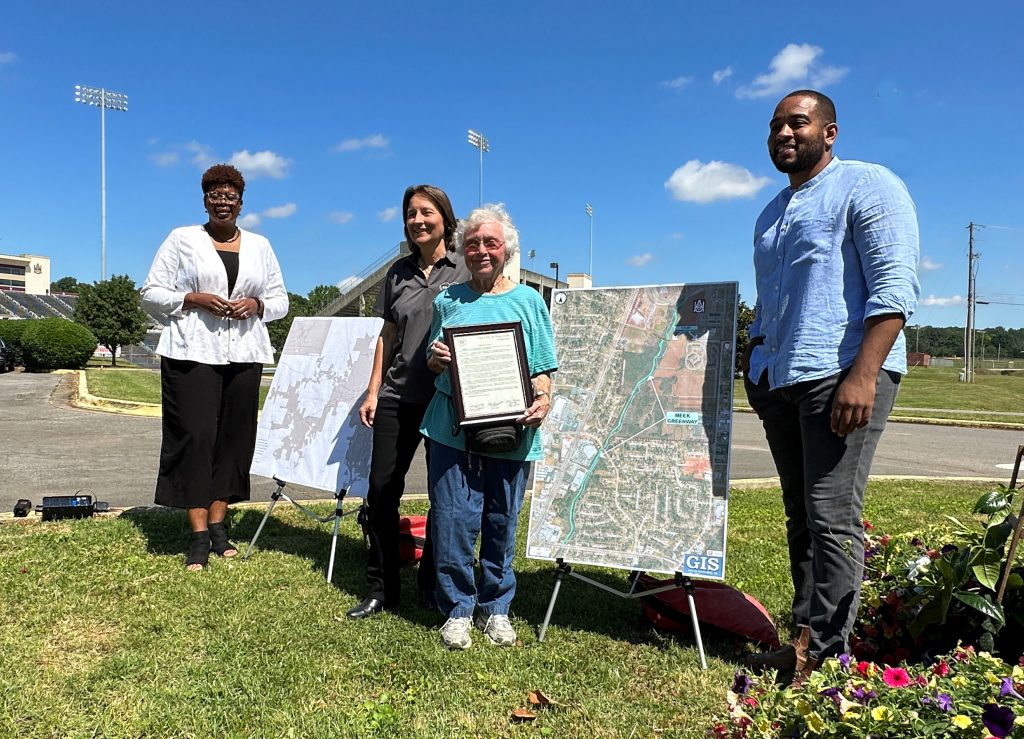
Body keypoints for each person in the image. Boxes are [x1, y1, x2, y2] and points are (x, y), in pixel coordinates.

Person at [742, 90, 920, 683]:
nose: (784, 134)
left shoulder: (869, 186)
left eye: (798, 122)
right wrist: (756, 365)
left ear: (830, 131)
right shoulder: (771, 213)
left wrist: (864, 374)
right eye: (775, 127)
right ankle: (804, 639)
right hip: (780, 378)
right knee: (800, 514)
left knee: (831, 513)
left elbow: (894, 288)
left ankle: (827, 657)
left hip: (840, 375)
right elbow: (771, 302)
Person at [421, 204, 557, 649]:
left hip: (511, 430)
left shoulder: (529, 301)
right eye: (473, 243)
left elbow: (542, 367)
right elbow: (431, 358)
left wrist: (543, 399)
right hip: (452, 428)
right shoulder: (448, 300)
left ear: (506, 250)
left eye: (491, 243)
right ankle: (458, 609)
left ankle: (496, 608)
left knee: (501, 517)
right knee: (453, 520)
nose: (481, 250)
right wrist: (436, 359)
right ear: (462, 249)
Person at [141, 163, 288, 571]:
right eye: (214, 195)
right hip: (192, 351)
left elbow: (281, 301)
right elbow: (151, 292)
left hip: (244, 353)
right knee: (196, 437)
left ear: (241, 202)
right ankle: (198, 535)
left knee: (233, 440)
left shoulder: (260, 245)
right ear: (204, 200)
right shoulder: (182, 239)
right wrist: (193, 299)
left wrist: (256, 305)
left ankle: (221, 527)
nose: (222, 201)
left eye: (230, 196)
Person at [347, 185, 470, 619]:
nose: (417, 220)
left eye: (426, 212)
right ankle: (382, 587)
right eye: (410, 214)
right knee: (381, 491)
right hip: (398, 396)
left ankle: (434, 582)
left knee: (446, 497)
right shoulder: (397, 273)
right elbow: (388, 335)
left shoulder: (465, 269)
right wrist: (374, 389)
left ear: (445, 219)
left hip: (446, 400)